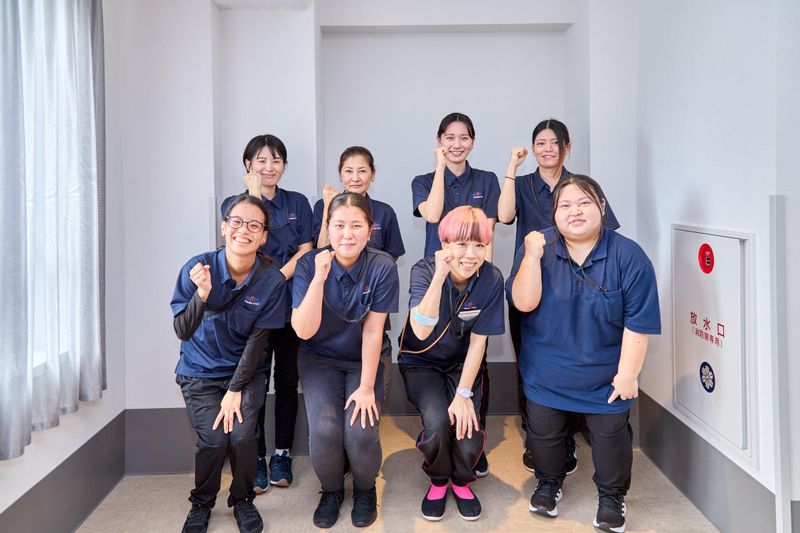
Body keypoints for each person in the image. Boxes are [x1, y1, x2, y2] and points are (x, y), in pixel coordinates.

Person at [506, 174, 660, 532]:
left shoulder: (629, 256)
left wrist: (627, 376)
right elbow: (523, 303)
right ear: (554, 213)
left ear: (602, 207)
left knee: (611, 442)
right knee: (544, 438)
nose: (574, 211)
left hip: (605, 377)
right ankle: (549, 483)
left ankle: (611, 497)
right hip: (546, 372)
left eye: (584, 203)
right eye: (565, 205)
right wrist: (531, 257)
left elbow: (638, 324)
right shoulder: (539, 246)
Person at [497, 118, 620, 473]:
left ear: (567, 148)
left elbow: (607, 233)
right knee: (529, 361)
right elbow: (504, 216)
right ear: (533, 148)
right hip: (531, 283)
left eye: (554, 142)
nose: (547, 149)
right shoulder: (523, 184)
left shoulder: (580, 187)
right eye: (540, 143)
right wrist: (511, 167)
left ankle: (568, 435)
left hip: (577, 288)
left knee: (576, 357)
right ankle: (537, 434)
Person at [171, 194, 288, 533]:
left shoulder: (272, 280)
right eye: (236, 222)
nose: (243, 230)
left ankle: (243, 499)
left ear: (263, 236)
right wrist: (202, 295)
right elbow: (182, 330)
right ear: (224, 227)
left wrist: (236, 389)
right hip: (199, 373)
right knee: (213, 441)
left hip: (245, 374)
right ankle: (201, 503)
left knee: (242, 437)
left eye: (254, 225)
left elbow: (258, 342)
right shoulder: (198, 268)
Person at [292, 192, 400, 529]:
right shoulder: (309, 264)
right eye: (339, 226)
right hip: (319, 358)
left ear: (370, 229)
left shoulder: (382, 266)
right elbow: (303, 330)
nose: (347, 234)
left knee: (360, 431)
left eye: (356, 226)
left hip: (364, 358)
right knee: (325, 430)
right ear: (328, 228)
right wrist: (319, 279)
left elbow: (373, 331)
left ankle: (365, 490)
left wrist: (366, 387)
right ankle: (331, 491)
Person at [398, 206, 505, 522]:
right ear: (444, 244)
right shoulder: (423, 270)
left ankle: (461, 481)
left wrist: (463, 393)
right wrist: (439, 276)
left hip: (461, 364)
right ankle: (439, 480)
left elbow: (479, 343)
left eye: (479, 245)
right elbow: (420, 330)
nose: (471, 255)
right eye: (461, 244)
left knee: (468, 430)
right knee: (437, 423)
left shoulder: (491, 279)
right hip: (421, 362)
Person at [220, 134, 313, 492]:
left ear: (284, 166)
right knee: (254, 380)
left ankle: (282, 453)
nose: (269, 167)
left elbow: (306, 250)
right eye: (261, 160)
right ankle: (256, 456)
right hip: (252, 309)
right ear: (248, 165)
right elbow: (245, 242)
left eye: (276, 160)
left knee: (287, 380)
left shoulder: (298, 202)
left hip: (288, 304)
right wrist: (254, 193)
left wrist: (275, 279)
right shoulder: (234, 205)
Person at [411, 112, 500, 476]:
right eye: (449, 137)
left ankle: (473, 443)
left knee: (477, 359)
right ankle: (440, 436)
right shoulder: (423, 180)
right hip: (440, 277)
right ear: (439, 141)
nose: (457, 144)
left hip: (474, 276)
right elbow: (433, 215)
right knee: (437, 344)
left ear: (473, 142)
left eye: (464, 138)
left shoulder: (487, 179)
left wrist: (483, 276)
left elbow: (487, 233)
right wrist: (439, 167)